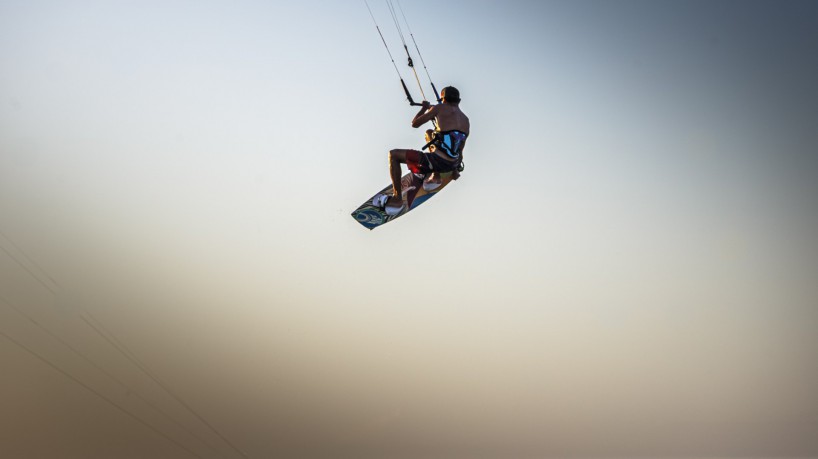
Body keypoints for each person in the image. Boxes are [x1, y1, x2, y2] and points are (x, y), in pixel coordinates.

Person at [381, 86, 470, 213]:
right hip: (452, 163)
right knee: (429, 133)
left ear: (443, 99)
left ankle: (397, 199)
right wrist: (454, 170)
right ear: (458, 101)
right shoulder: (466, 120)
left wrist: (424, 108)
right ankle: (435, 176)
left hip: (436, 161)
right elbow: (460, 149)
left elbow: (415, 124)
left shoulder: (439, 108)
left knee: (394, 155)